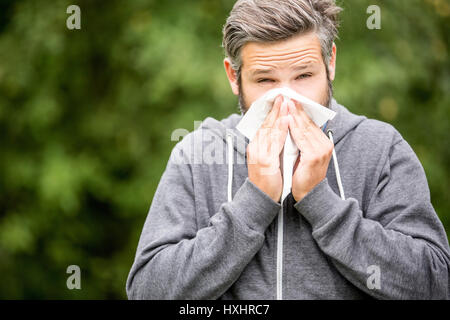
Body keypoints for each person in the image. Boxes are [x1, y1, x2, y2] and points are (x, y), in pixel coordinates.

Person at [126, 0, 450, 299]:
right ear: (233, 76)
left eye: (304, 75)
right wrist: (254, 201)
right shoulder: (198, 152)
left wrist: (321, 203)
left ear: (331, 63)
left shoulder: (380, 147)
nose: (286, 100)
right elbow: (146, 290)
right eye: (265, 80)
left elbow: (435, 284)